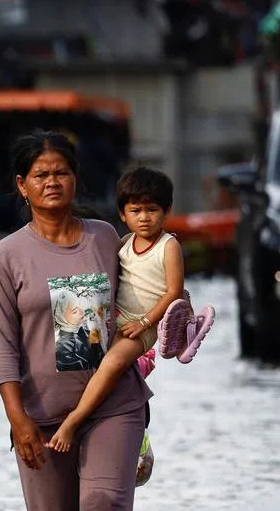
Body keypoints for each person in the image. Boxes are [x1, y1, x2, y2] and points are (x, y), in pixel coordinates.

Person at [0, 130, 152, 511]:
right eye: (41, 175)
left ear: (75, 179)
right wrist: (18, 421)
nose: (52, 182)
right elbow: (0, 347)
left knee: (103, 506)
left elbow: (143, 300)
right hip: (41, 414)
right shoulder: (5, 257)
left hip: (113, 405)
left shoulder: (104, 238)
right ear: (22, 185)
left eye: (61, 172)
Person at [46, 167, 215, 452]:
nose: (144, 217)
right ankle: (71, 407)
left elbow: (173, 290)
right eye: (136, 210)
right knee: (76, 348)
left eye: (152, 210)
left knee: (112, 363)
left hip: (145, 325)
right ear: (123, 214)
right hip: (117, 317)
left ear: (167, 210)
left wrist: (146, 323)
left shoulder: (168, 246)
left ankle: (73, 421)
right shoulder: (124, 243)